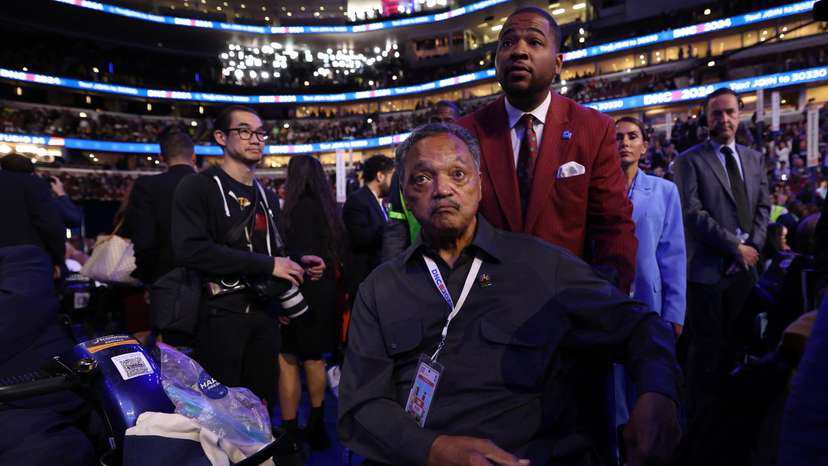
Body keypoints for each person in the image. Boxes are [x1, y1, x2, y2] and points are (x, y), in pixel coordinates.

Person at [338, 124, 681, 466]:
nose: (442, 189)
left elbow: (641, 326)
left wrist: (657, 393)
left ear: (480, 185)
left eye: (458, 174)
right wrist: (433, 450)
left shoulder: (541, 265)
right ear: (404, 194)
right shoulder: (379, 289)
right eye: (423, 179)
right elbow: (361, 406)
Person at [457, 6, 636, 292]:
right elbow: (455, 231)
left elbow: (613, 226)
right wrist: (481, 293)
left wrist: (600, 300)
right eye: (507, 42)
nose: (518, 51)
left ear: (558, 63)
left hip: (569, 305)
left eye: (535, 42)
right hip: (488, 301)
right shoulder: (465, 133)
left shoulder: (593, 127)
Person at [172, 105, 325, 410]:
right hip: (220, 316)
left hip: (265, 316)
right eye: (244, 131)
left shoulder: (266, 195)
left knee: (259, 409)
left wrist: (296, 260)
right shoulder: (198, 186)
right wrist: (270, 265)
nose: (255, 139)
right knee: (221, 414)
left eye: (260, 133)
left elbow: (270, 251)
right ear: (220, 137)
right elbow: (191, 250)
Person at [673, 88, 770, 424]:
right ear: (706, 117)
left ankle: (737, 421)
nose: (724, 119)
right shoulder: (688, 160)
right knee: (707, 357)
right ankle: (704, 429)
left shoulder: (755, 158)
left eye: (729, 112)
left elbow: (764, 208)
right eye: (716, 113)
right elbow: (693, 213)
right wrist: (735, 248)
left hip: (746, 271)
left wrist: (752, 249)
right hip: (708, 275)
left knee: (741, 346)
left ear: (740, 113)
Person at [613, 117, 686, 431]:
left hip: (650, 302)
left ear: (644, 146)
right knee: (612, 387)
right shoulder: (597, 189)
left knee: (648, 384)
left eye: (632, 136)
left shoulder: (664, 191)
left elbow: (673, 254)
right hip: (608, 302)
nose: (625, 143)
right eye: (618, 137)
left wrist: (675, 311)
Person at [278, 155, 346, 450]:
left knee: (289, 358)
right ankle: (318, 425)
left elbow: (283, 254)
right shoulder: (332, 210)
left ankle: (291, 430)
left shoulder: (290, 212)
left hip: (295, 291)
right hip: (325, 291)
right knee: (315, 357)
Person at [383, 101, 462, 261]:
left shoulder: (474, 166)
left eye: (448, 120)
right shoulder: (404, 172)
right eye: (436, 120)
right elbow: (396, 230)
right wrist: (390, 277)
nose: (441, 126)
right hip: (422, 263)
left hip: (468, 261)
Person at [126, 125, 197, 286]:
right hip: (209, 284)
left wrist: (148, 279)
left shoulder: (147, 186)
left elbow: (144, 240)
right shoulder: (212, 185)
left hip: (164, 280)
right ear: (194, 156)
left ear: (162, 157)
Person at [0, 155, 65, 272]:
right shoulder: (35, 184)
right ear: (31, 171)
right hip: (24, 263)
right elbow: (50, 225)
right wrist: (57, 259)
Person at [342, 154, 394, 296]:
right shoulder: (357, 200)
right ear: (380, 176)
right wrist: (392, 225)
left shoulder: (379, 201)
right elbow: (360, 238)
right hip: (364, 279)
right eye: (392, 176)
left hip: (378, 276)